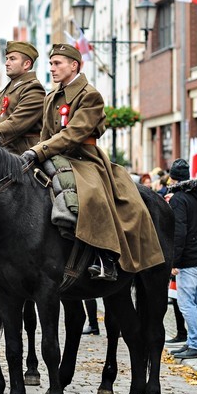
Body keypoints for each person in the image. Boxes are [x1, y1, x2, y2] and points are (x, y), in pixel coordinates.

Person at [22, 43, 164, 281]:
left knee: (92, 195)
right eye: (51, 64)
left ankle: (105, 256)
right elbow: (46, 133)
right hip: (53, 155)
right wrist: (37, 154)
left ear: (74, 65)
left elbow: (74, 134)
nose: (52, 69)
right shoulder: (51, 97)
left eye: (57, 64)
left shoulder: (90, 95)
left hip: (84, 158)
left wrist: (40, 150)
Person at [165, 159, 197, 359]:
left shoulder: (179, 199)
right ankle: (195, 341)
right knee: (195, 302)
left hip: (190, 258)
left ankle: (196, 343)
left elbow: (179, 232)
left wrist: (174, 261)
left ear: (172, 177)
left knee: (186, 302)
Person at [0, 41, 46, 154]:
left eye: (12, 59)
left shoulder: (33, 90)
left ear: (26, 64)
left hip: (22, 156)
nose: (7, 63)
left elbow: (14, 125)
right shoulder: (2, 93)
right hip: (0, 152)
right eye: (7, 59)